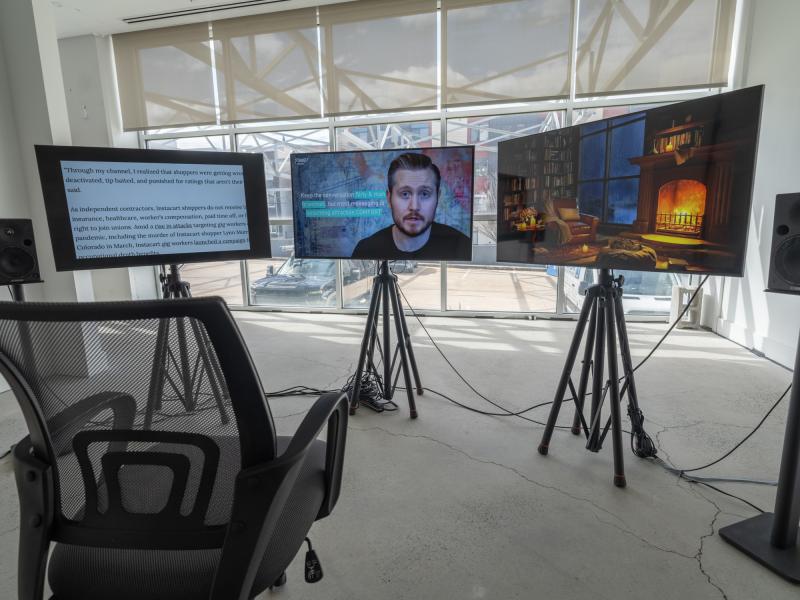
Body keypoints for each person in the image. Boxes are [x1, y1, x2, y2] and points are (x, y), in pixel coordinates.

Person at [351, 152, 471, 260]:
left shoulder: (461, 246)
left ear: (437, 198)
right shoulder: (365, 249)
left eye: (424, 194)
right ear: (389, 198)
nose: (414, 206)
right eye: (405, 194)